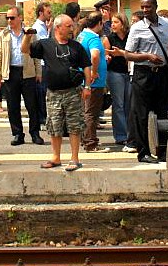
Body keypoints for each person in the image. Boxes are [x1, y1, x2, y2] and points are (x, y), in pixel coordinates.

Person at [106, 0, 168, 164]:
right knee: (141, 115)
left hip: (162, 73)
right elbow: (128, 54)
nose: (144, 10)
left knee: (162, 113)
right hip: (143, 74)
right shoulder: (137, 28)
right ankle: (143, 152)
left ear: (155, 7)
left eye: (148, 7)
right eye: (142, 7)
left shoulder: (167, 24)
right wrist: (147, 56)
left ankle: (162, 150)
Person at [22, 15, 91, 172]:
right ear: (58, 27)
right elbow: (25, 50)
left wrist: (87, 87)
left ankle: (74, 158)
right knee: (54, 125)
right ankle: (56, 157)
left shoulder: (76, 46)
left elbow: (86, 66)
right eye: (68, 26)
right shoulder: (45, 44)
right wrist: (27, 36)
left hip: (73, 92)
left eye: (72, 26)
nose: (72, 29)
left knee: (74, 125)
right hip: (53, 93)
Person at [0, 7, 42, 146]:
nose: (10, 21)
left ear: (20, 17)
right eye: (7, 18)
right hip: (10, 72)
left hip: (27, 72)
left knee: (32, 105)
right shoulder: (4, 34)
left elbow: (36, 54)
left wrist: (38, 72)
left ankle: (35, 133)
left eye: (12, 18)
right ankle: (17, 134)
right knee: (12, 106)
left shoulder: (30, 33)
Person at [77, 12, 111, 153]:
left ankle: (84, 139)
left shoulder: (81, 36)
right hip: (94, 82)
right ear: (99, 24)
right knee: (92, 113)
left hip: (83, 80)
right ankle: (91, 143)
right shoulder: (93, 38)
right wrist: (94, 71)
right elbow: (95, 55)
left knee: (85, 111)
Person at [104, 13, 135, 150]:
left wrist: (121, 53)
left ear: (123, 24)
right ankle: (121, 135)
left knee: (129, 104)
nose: (113, 25)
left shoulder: (130, 36)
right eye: (112, 22)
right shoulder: (109, 38)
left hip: (129, 73)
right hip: (115, 73)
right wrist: (108, 56)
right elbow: (105, 53)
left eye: (116, 22)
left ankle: (130, 134)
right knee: (118, 104)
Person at [32, 2, 53, 128]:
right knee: (41, 92)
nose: (50, 15)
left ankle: (43, 116)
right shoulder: (39, 27)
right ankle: (42, 117)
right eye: (48, 12)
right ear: (41, 13)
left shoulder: (43, 26)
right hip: (42, 63)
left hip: (44, 63)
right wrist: (49, 30)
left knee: (43, 91)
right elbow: (45, 44)